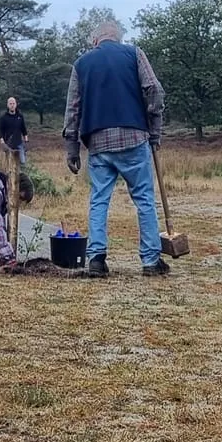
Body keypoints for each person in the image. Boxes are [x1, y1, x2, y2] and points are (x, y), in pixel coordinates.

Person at [63, 20, 167, 277]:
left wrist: (72, 148)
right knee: (144, 199)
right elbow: (154, 90)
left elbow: (73, 109)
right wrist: (154, 129)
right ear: (118, 38)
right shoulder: (134, 54)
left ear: (95, 40)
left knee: (99, 200)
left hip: (98, 141)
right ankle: (151, 261)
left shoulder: (81, 64)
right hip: (133, 137)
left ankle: (96, 259)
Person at [0, 96, 28, 166]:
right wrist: (3, 143)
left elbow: (24, 129)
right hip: (8, 144)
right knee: (10, 165)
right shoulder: (3, 117)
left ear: (16, 104)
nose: (12, 105)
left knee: (22, 163)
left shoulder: (20, 116)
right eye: (10, 104)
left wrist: (26, 141)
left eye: (13, 103)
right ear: (7, 105)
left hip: (19, 144)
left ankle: (21, 176)